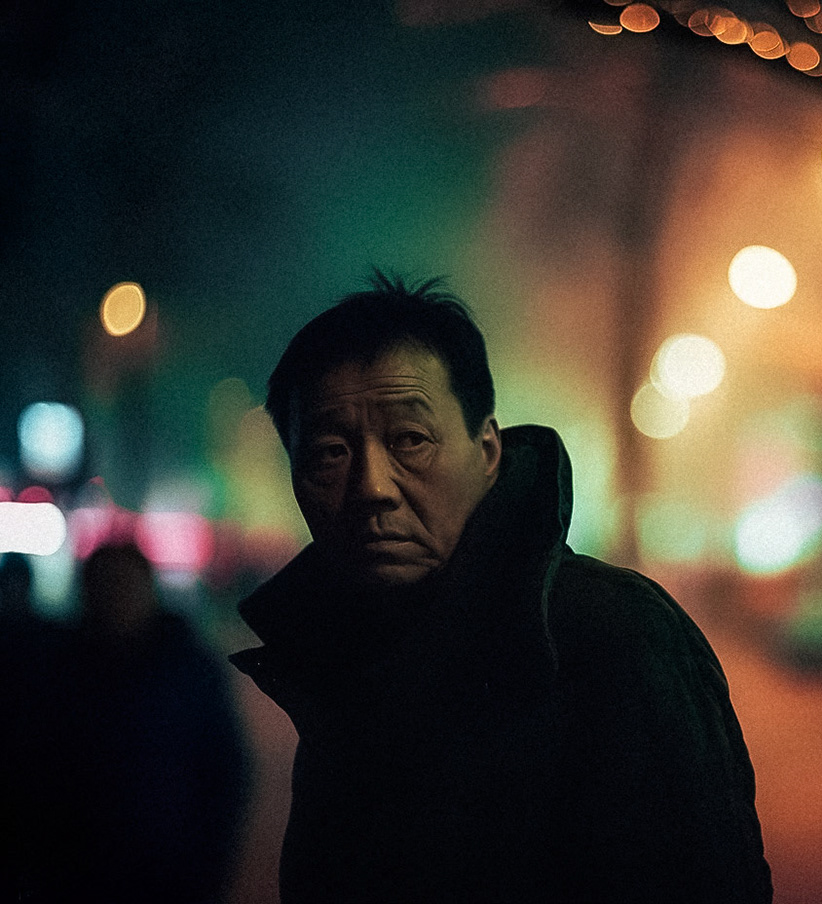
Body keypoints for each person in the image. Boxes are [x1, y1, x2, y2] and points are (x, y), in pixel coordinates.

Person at [229, 273, 773, 903]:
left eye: (410, 440)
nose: (372, 487)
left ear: (487, 450)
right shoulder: (333, 665)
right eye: (330, 453)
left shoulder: (612, 633)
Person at [2, 543, 250, 903]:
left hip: (166, 873)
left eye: (125, 585)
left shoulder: (188, 669)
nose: (116, 598)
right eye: (105, 586)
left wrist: (207, 869)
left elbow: (225, 771)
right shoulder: (56, 670)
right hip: (74, 874)